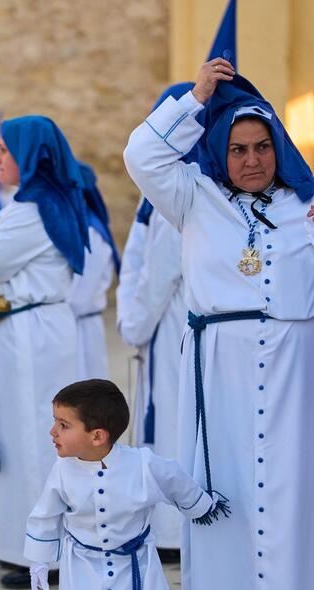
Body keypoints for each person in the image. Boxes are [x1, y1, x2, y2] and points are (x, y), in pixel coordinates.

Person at [124, 58, 314, 590]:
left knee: (295, 502)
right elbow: (142, 157)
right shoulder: (193, 195)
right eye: (237, 149)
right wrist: (195, 97)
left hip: (297, 377)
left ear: (279, 146)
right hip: (220, 376)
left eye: (263, 146)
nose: (252, 160)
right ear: (220, 149)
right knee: (219, 497)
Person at [0, 115, 84, 588]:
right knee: (22, 437)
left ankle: (42, 552)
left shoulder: (32, 210)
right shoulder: (36, 204)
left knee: (35, 439)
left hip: (31, 337)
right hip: (27, 330)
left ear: (27, 156)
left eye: (5, 150)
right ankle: (23, 546)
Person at [25, 379, 223, 590]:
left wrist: (203, 506)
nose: (52, 432)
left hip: (137, 568)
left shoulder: (143, 465)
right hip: (83, 570)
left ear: (97, 436)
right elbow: (44, 515)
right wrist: (39, 561)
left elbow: (176, 480)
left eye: (63, 425)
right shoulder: (62, 471)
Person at [117, 82, 199, 562]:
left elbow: (158, 276)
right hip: (164, 323)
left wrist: (135, 326)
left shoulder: (176, 194)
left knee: (172, 420)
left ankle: (171, 529)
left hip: (173, 327)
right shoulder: (157, 196)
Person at [70, 164, 118, 380]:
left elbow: (80, 297)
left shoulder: (91, 234)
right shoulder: (77, 230)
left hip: (82, 330)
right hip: (74, 326)